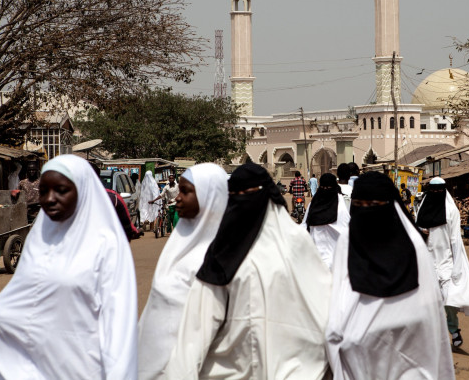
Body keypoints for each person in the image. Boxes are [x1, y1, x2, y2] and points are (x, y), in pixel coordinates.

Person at [0, 154, 137, 379]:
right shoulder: (38, 238)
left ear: (83, 191)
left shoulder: (107, 246)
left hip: (84, 367)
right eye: (44, 191)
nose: (50, 199)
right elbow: (26, 299)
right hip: (39, 365)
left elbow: (120, 327)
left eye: (61, 190)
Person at [166, 163, 331, 379]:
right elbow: (196, 329)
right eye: (235, 195)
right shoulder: (224, 253)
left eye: (247, 194)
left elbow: (325, 310)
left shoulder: (297, 244)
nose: (241, 201)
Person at [326, 171, 454, 379]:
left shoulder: (414, 246)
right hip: (359, 359)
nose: (367, 212)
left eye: (374, 205)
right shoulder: (347, 243)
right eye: (361, 205)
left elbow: (430, 314)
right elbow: (338, 301)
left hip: (411, 358)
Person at [137, 163, 228, 380]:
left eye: (187, 192)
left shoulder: (221, 256)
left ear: (210, 196)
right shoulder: (179, 242)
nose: (179, 197)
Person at [415, 177, 469, 348]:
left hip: (446, 261)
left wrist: (457, 266)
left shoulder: (451, 211)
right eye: (433, 189)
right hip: (426, 259)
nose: (435, 193)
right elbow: (417, 229)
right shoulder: (423, 207)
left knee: (448, 299)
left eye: (439, 190)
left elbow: (455, 240)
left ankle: (453, 330)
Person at [300, 173, 350, 269]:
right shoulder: (342, 203)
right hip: (337, 262)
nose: (326, 190)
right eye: (324, 187)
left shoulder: (314, 203)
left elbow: (304, 227)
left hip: (318, 262)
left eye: (328, 187)